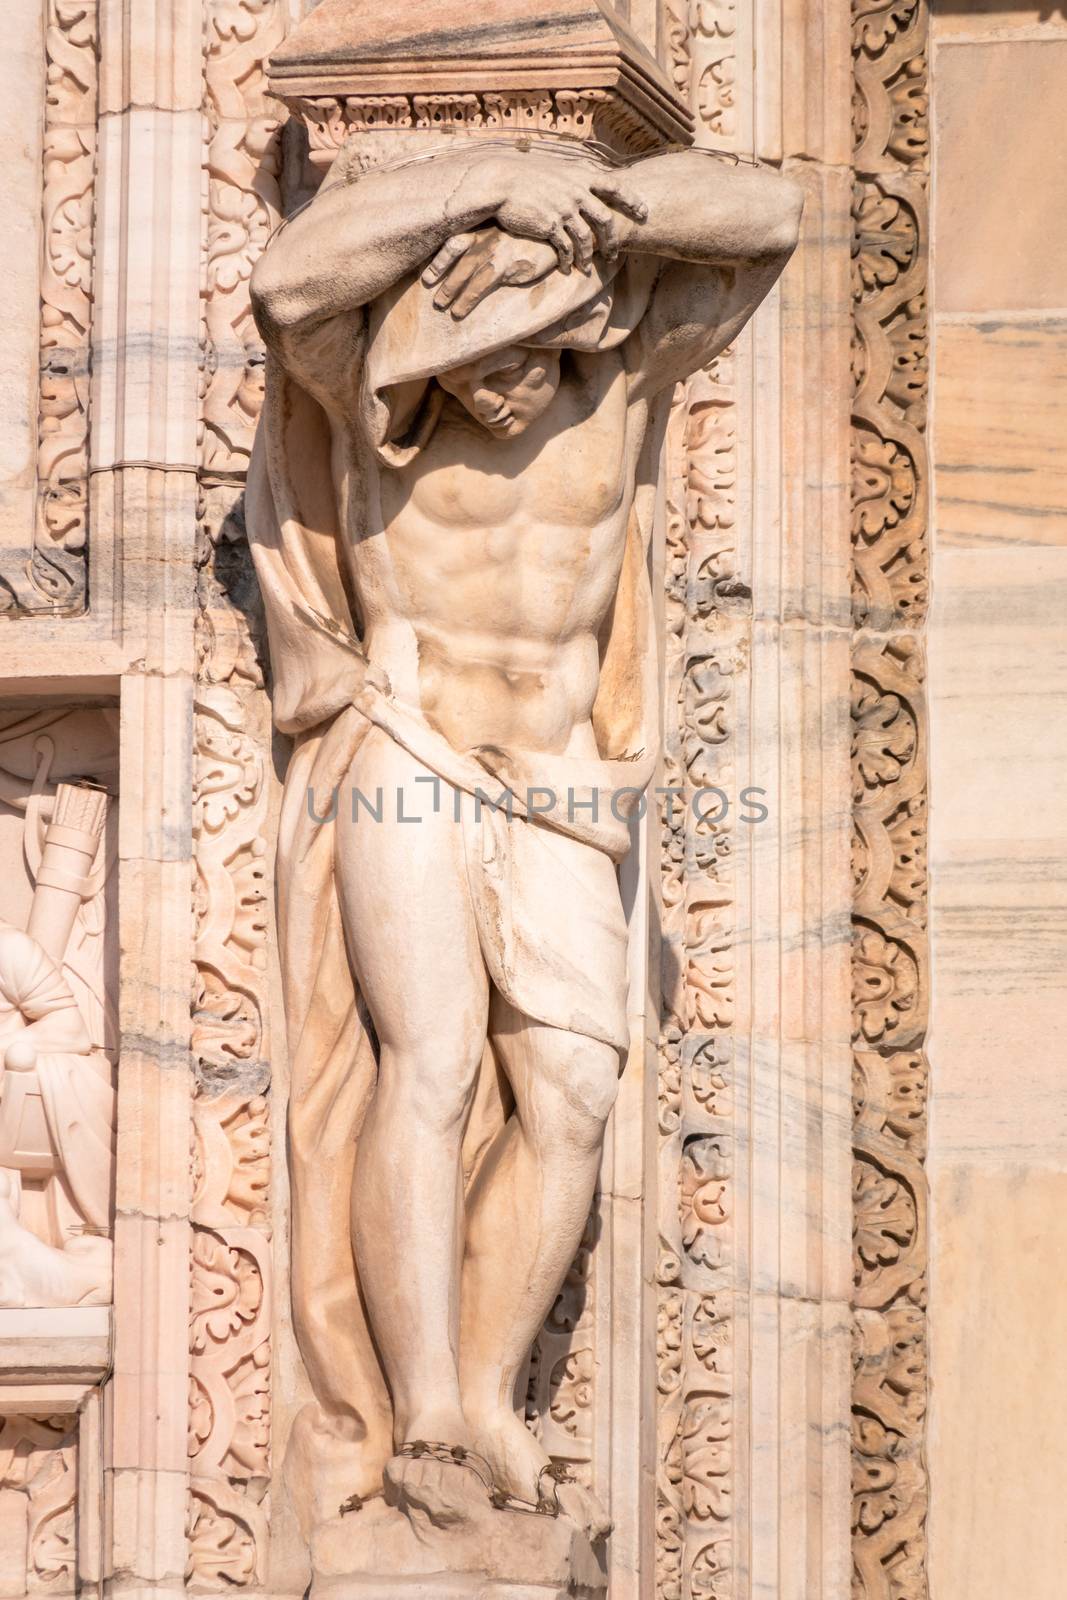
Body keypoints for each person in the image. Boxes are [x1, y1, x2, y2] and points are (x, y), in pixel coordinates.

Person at [248, 134, 801, 1529]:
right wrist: (484, 182)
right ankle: (429, 1400)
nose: (501, 382)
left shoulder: (619, 383)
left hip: (563, 775)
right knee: (425, 1062)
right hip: (411, 751)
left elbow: (775, 210)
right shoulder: (373, 403)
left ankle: (491, 1384)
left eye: (529, 351)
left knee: (570, 1088)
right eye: (474, 356)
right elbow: (289, 283)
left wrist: (591, 212)